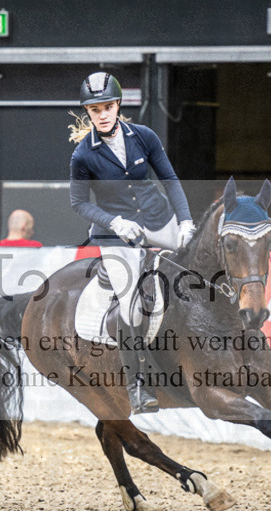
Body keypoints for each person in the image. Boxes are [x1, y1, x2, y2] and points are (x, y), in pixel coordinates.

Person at [68, 71, 195, 414]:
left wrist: (184, 220)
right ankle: (138, 384)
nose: (103, 114)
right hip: (115, 234)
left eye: (108, 106)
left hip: (157, 217)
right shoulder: (83, 155)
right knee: (130, 304)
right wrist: (114, 222)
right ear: (88, 113)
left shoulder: (144, 137)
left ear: (118, 105)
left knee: (197, 261)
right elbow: (78, 203)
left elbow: (169, 178)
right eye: (96, 110)